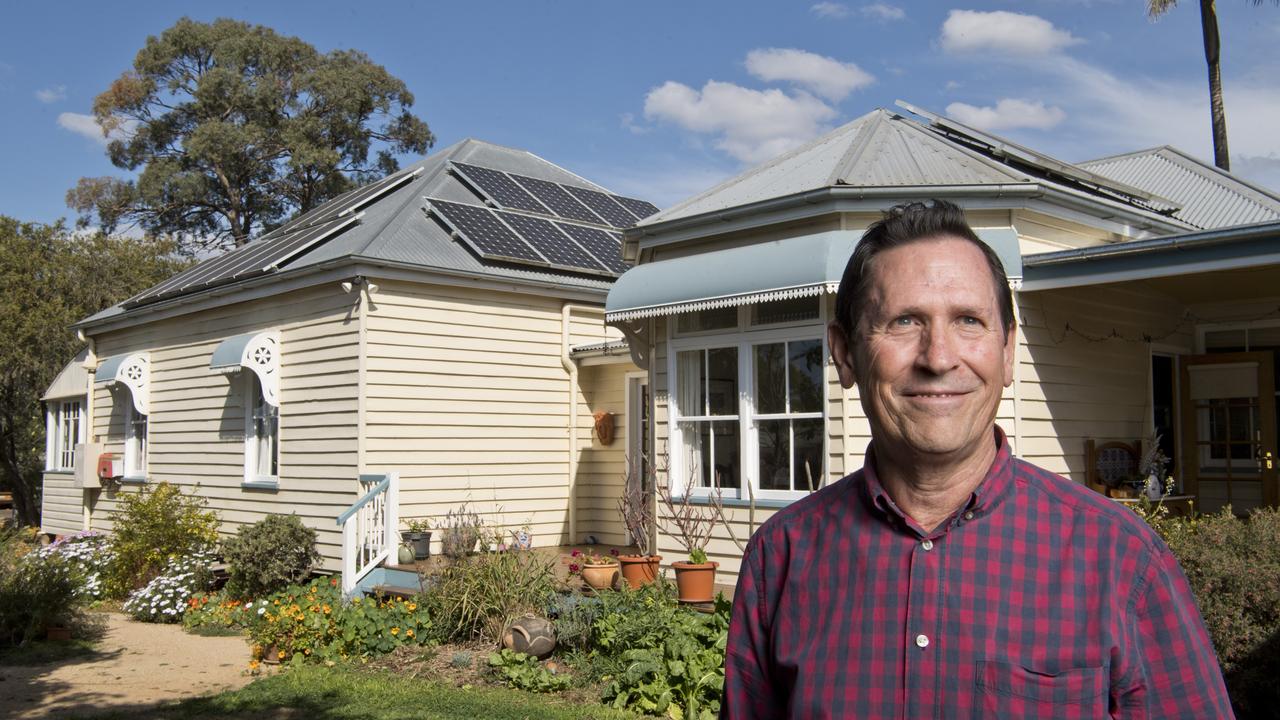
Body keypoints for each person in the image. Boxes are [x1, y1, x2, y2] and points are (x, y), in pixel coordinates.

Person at [720, 200, 1232, 719]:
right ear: (845, 353)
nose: (938, 357)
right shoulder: (779, 559)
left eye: (969, 320)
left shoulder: (1121, 559)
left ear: (1007, 352)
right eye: (903, 321)